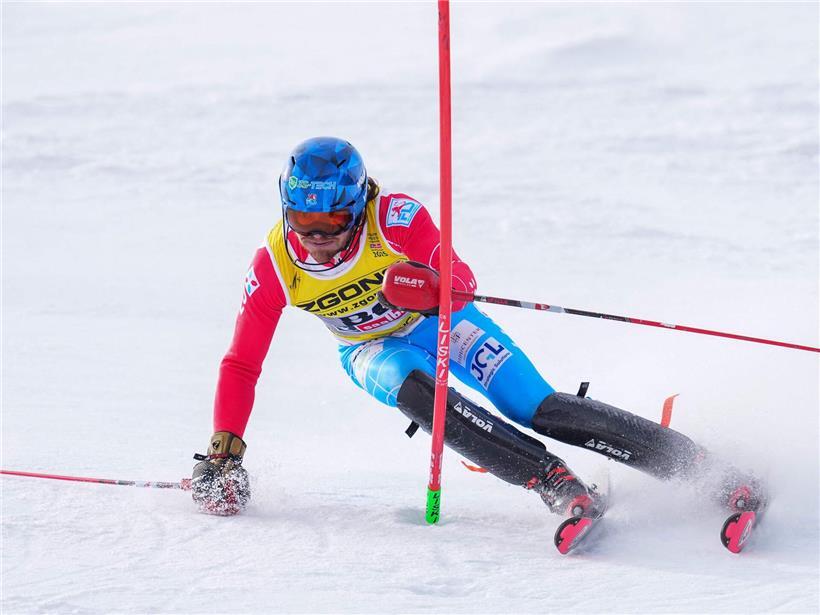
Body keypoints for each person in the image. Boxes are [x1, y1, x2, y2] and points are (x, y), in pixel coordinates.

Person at [191, 136, 765, 520]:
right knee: (421, 394)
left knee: (537, 406)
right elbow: (242, 363)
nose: (316, 237)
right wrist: (224, 451)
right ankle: (554, 484)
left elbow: (459, 275)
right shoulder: (274, 265)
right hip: (369, 348)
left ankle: (706, 470)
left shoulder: (396, 219)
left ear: (358, 206)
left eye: (332, 220)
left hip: (439, 320)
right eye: (303, 221)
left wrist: (438, 285)